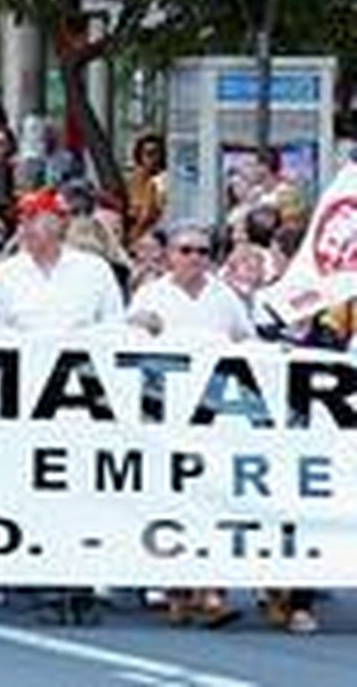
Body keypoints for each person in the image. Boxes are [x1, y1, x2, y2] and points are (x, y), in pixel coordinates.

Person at [127, 224, 248, 629]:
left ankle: (211, 589)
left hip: (214, 413)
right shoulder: (152, 294)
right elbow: (130, 347)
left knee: (212, 496)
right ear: (170, 256)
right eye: (186, 250)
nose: (195, 258)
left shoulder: (224, 295)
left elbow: (246, 341)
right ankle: (176, 587)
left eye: (202, 251)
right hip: (167, 411)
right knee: (171, 496)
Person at [0, 191, 125, 334]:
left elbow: (114, 324)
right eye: (21, 221)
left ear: (59, 223)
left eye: (33, 219)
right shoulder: (8, 272)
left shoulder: (95, 269)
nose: (25, 228)